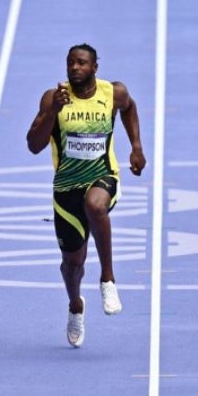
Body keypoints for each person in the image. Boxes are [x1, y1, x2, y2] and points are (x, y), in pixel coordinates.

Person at [26, 43, 145, 348]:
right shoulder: (54, 98)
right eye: (70, 63)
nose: (74, 68)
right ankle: (76, 305)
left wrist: (136, 147)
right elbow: (33, 144)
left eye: (81, 63)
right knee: (72, 265)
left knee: (96, 206)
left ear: (94, 67)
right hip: (66, 188)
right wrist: (52, 112)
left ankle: (107, 278)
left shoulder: (112, 93)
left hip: (103, 176)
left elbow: (129, 108)